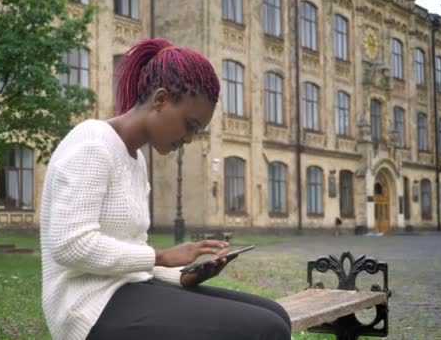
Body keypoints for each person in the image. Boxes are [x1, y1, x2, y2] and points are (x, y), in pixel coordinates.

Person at [40, 38, 291, 340]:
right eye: (190, 125)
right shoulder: (92, 144)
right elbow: (70, 246)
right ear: (160, 100)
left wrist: (183, 277)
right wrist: (161, 256)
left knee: (277, 315)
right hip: (86, 306)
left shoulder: (135, 161)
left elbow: (130, 253)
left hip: (128, 289)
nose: (188, 139)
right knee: (268, 330)